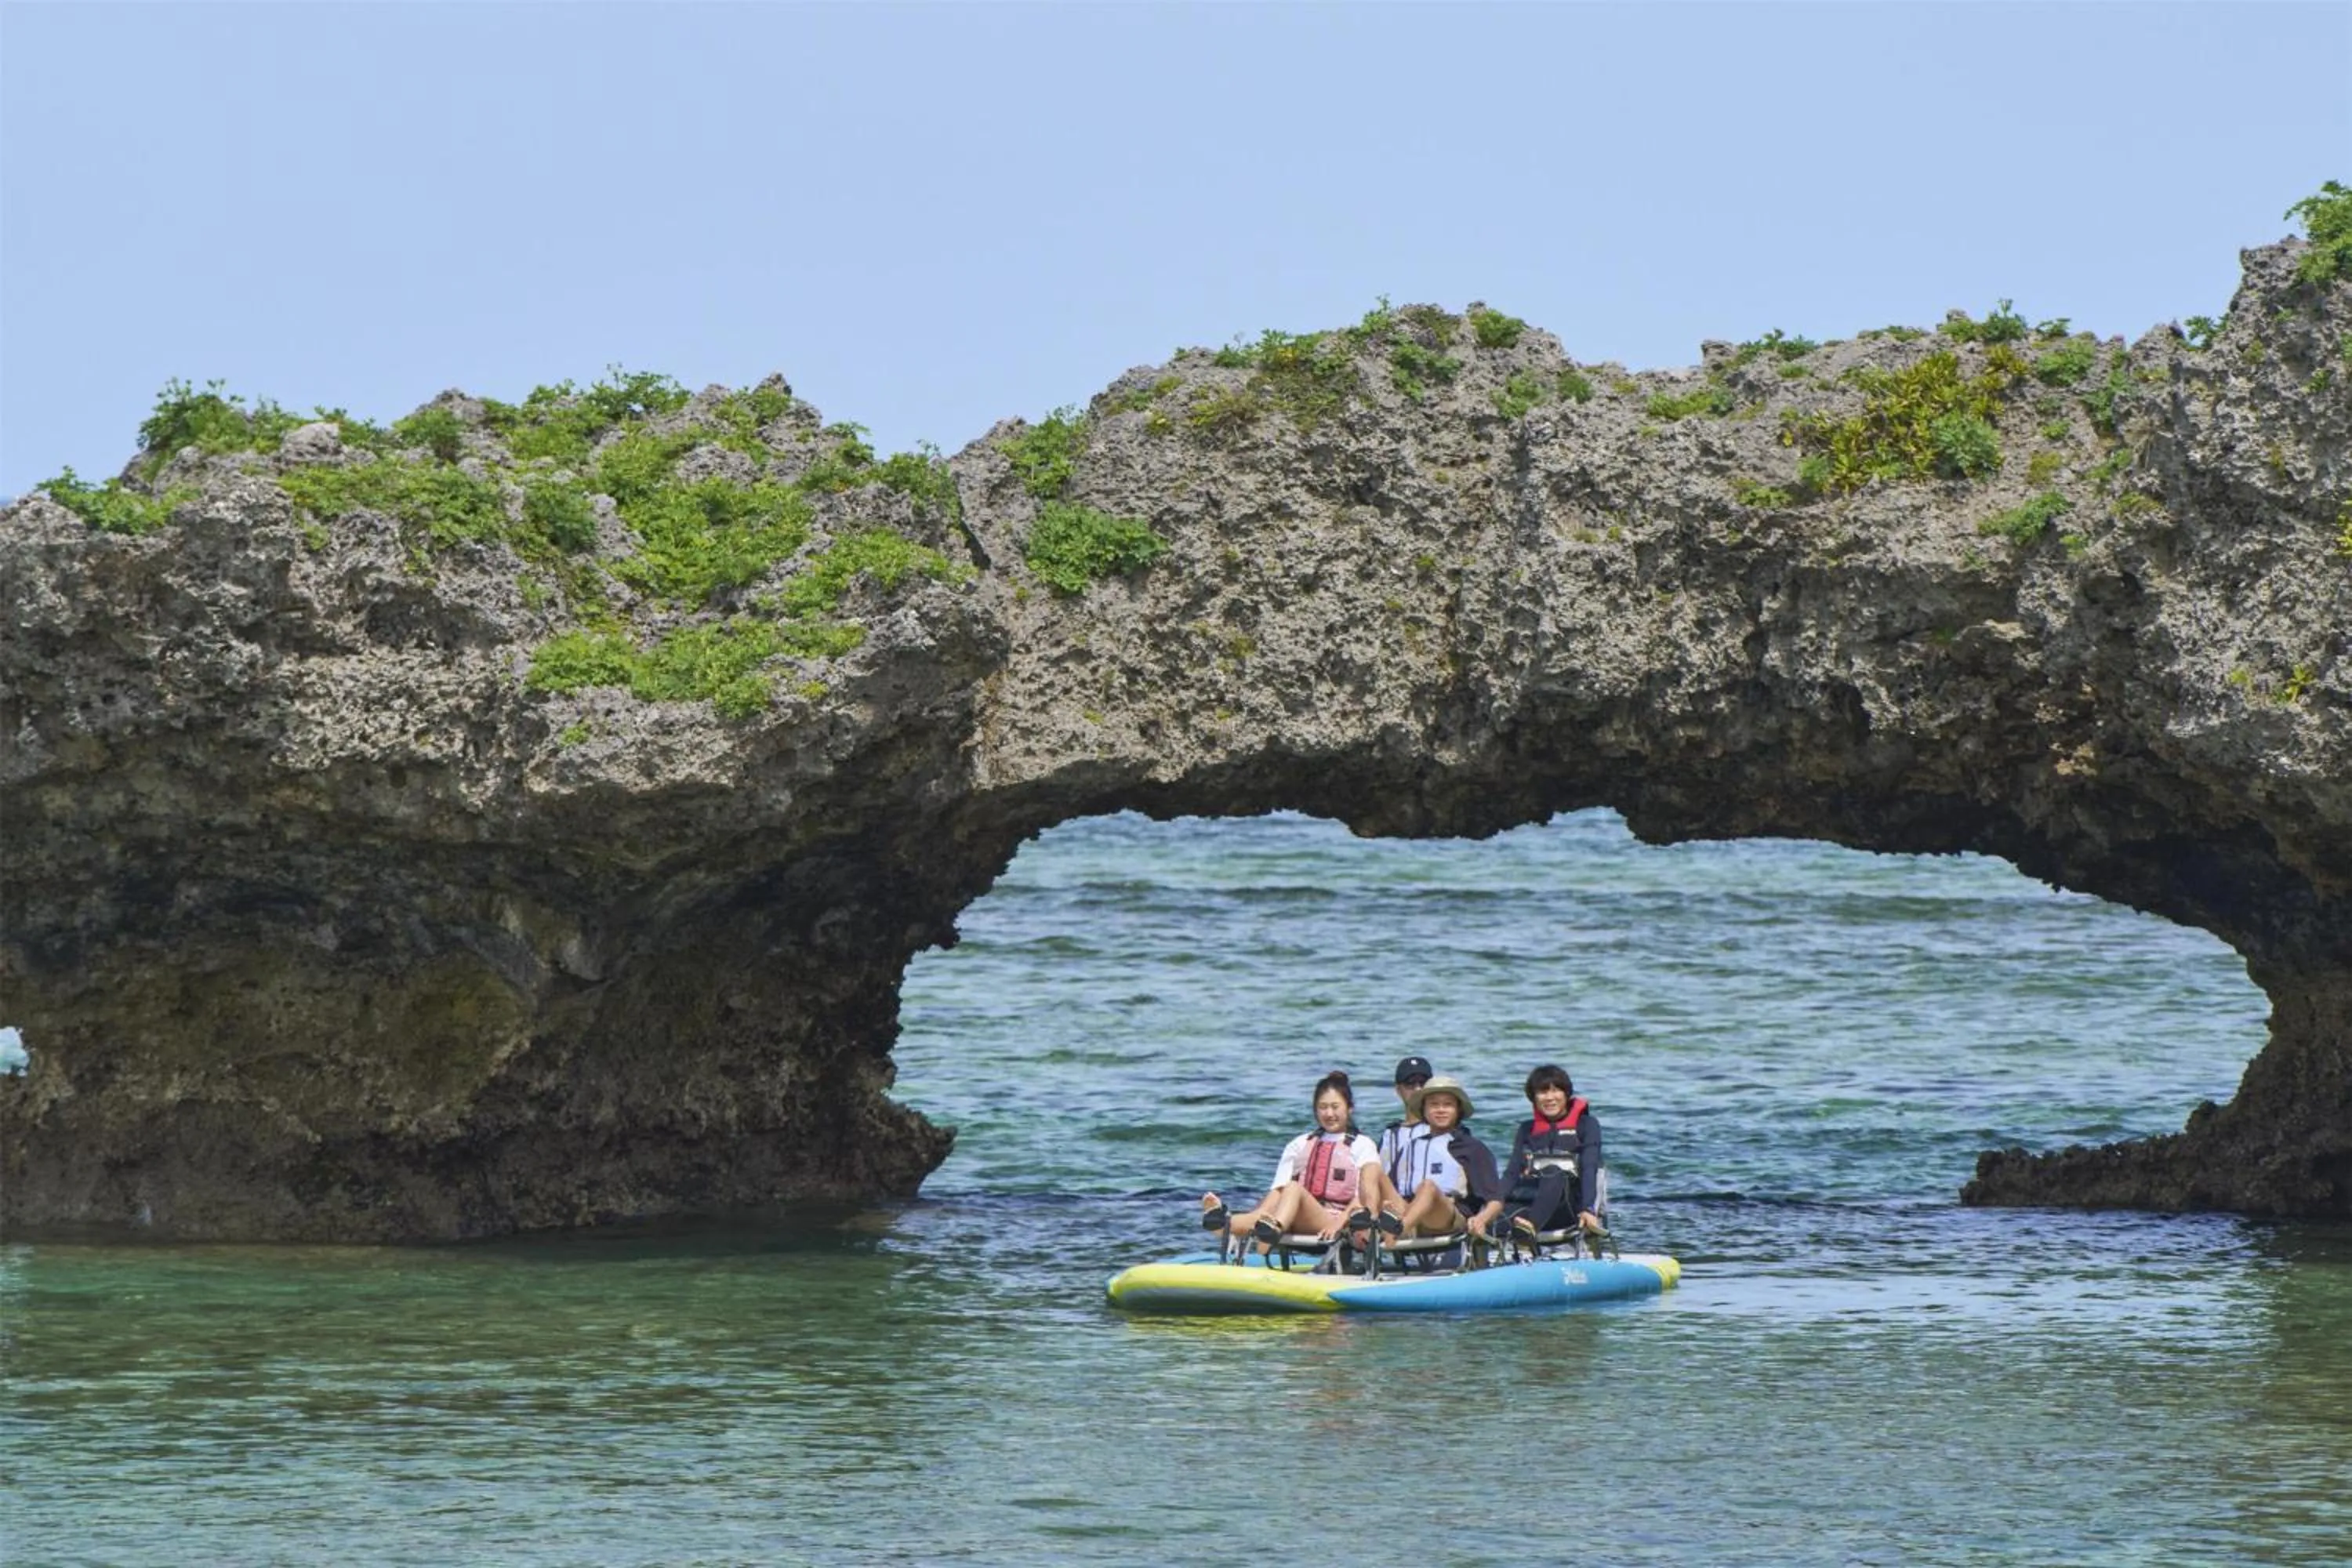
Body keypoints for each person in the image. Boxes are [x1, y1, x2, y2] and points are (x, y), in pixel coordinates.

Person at [1200, 1071, 1383, 1245]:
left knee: (1293, 1188)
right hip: (1292, 1217)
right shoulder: (1300, 1144)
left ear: (1350, 1108)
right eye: (1323, 1107)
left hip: (1336, 1221)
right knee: (1273, 1203)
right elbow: (1278, 1190)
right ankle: (1222, 1224)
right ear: (1315, 1110)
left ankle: (1271, 1229)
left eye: (1335, 1107)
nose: (1329, 1114)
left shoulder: (1363, 1145)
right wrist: (1261, 1213)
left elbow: (1363, 1197)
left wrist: (1338, 1224)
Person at [1359, 1075, 1504, 1240]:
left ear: (1458, 1110)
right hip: (1407, 1211)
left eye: (1448, 1105)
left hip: (1445, 1217)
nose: (1441, 1110)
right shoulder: (1410, 1147)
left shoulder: (1471, 1148)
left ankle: (1397, 1231)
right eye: (1434, 1105)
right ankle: (1368, 1226)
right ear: (1424, 1110)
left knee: (1428, 1187)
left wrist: (1481, 1220)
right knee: (1372, 1169)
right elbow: (1392, 1189)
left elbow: (1495, 1200)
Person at [1497, 1063, 1604, 1247]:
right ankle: (1479, 1258)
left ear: (1566, 1094)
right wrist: (1490, 1208)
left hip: (1569, 1210)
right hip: (1530, 1206)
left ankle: (1529, 1230)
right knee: (1492, 1221)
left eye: (1555, 1091)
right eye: (1542, 1092)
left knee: (1553, 1170)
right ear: (1533, 1098)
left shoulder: (1587, 1125)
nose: (1549, 1098)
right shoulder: (1526, 1130)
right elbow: (1511, 1174)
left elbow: (1589, 1167)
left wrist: (1588, 1208)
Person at [1371, 1054, 1435, 1232]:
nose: (1417, 1088)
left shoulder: (1443, 1130)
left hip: (1430, 1209)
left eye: (1423, 1083)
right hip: (1394, 1205)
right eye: (1410, 1084)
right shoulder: (1390, 1134)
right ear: (1398, 1090)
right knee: (1371, 1172)